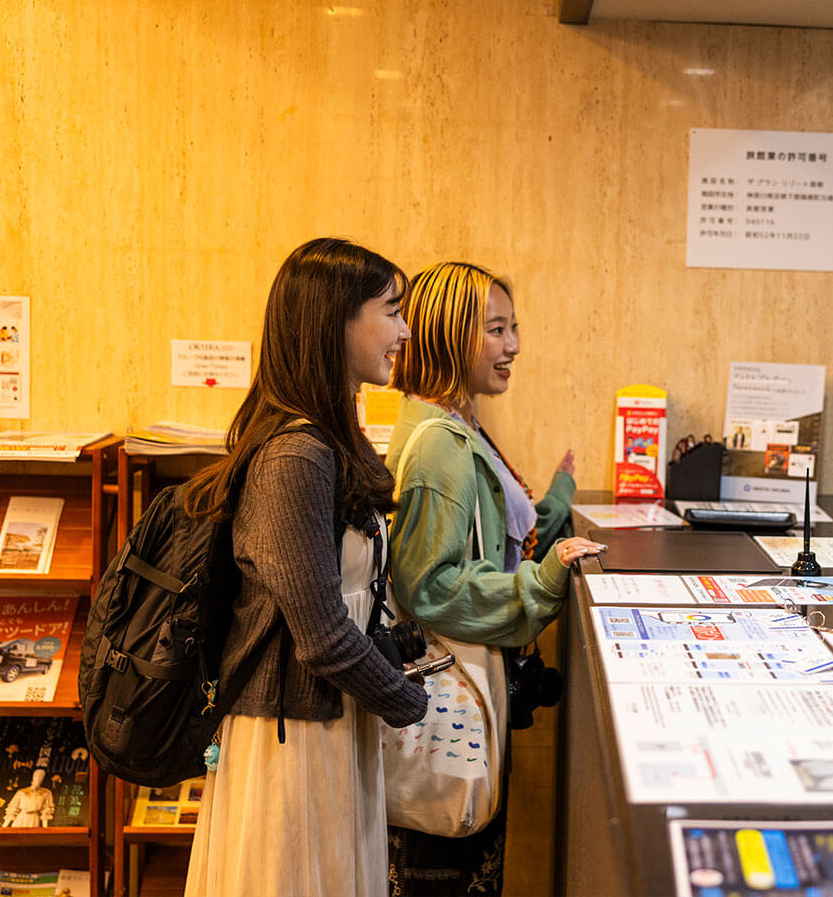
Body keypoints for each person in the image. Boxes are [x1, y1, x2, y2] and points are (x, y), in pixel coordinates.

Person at [182, 238, 428, 897]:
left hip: (330, 726)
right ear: (334, 323)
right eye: (392, 310)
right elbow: (321, 635)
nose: (404, 330)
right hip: (292, 743)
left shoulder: (326, 442)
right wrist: (408, 702)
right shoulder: (296, 457)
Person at [386, 260, 605, 895]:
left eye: (514, 329)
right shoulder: (439, 445)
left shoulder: (456, 424)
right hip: (451, 706)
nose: (513, 347)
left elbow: (495, 530)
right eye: (497, 329)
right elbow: (430, 587)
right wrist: (540, 583)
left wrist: (557, 505)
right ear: (454, 334)